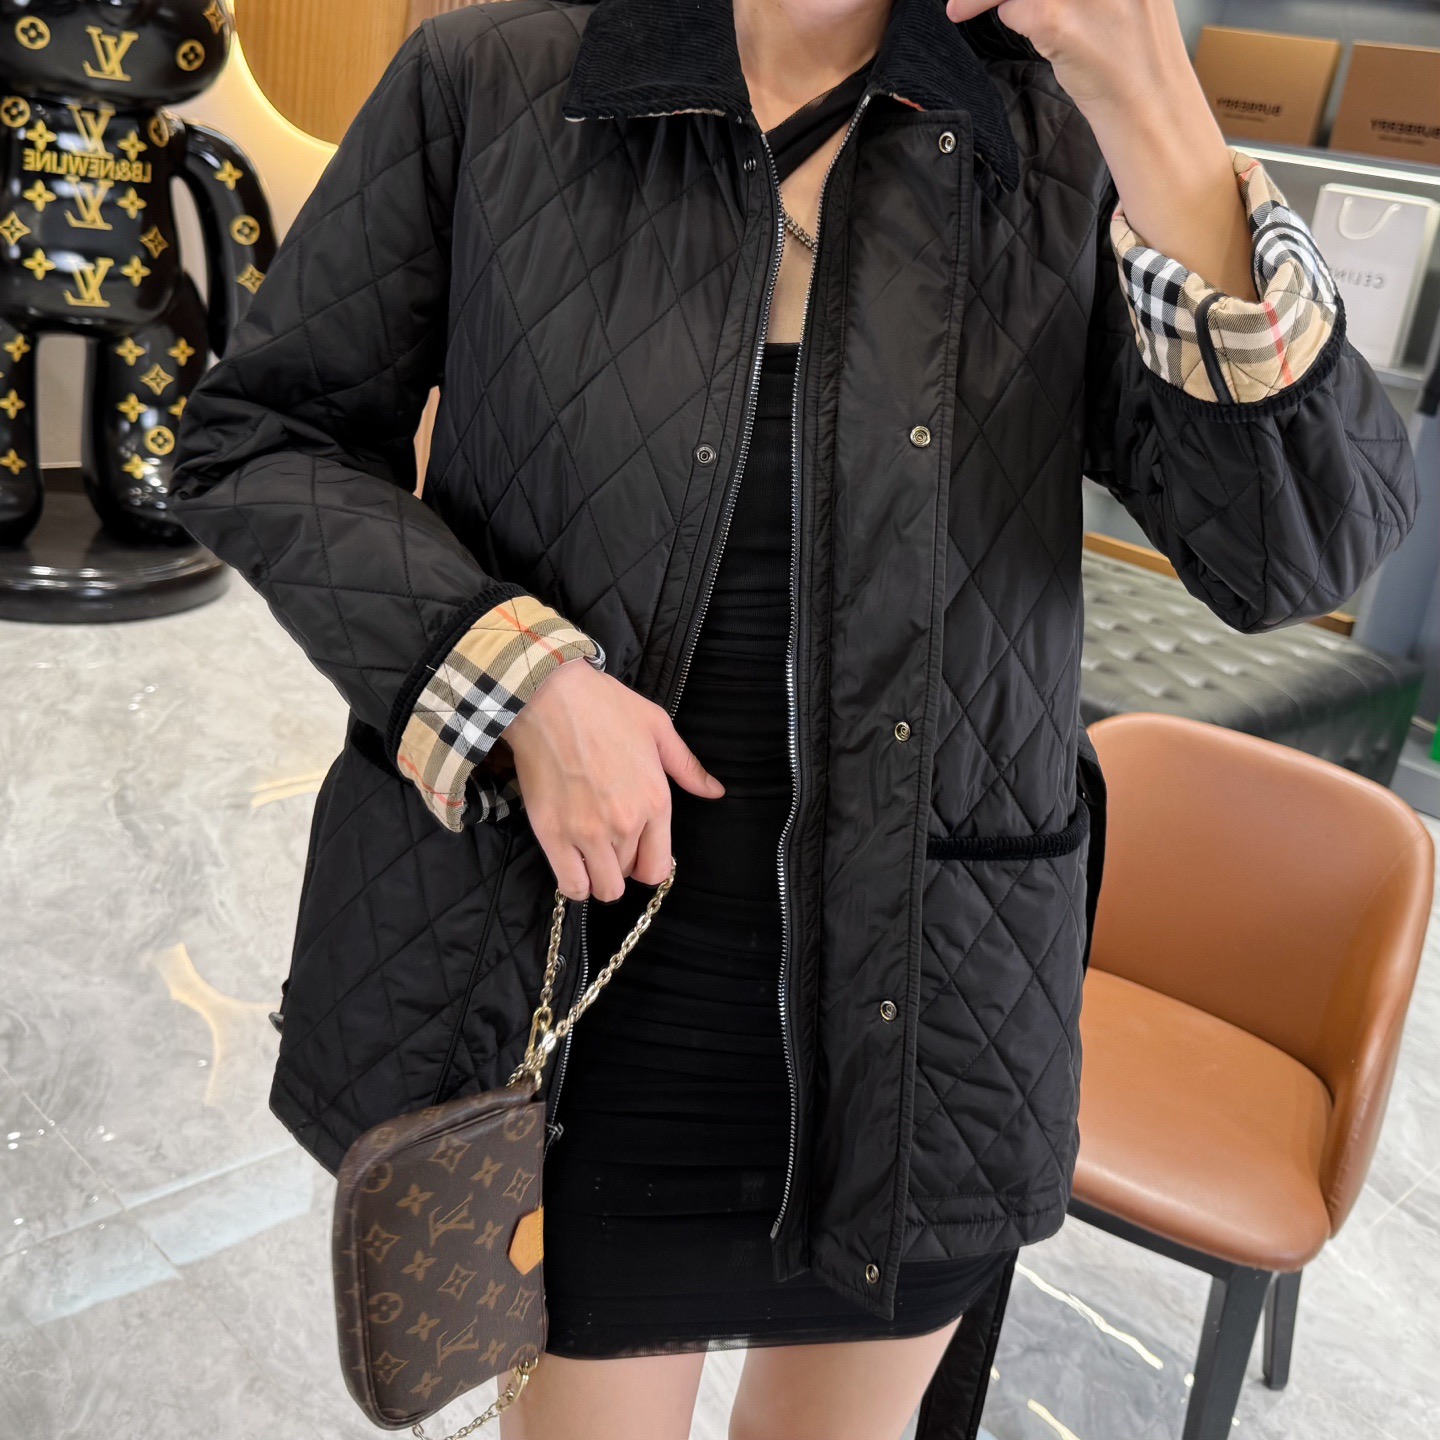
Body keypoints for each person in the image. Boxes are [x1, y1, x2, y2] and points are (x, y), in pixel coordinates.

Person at [171, 0, 1417, 1436]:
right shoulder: (493, 83)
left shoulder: (1059, 133)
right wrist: (514, 683)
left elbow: (1297, 555)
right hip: (577, 988)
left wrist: (1153, 103)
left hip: (930, 1017)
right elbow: (263, 438)